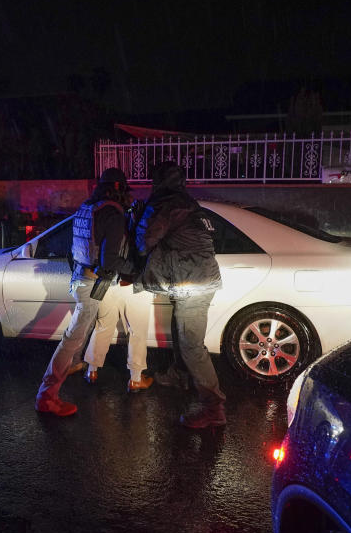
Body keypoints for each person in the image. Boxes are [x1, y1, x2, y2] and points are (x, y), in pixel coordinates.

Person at [34, 167, 138, 416]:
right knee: (72, 339)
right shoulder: (112, 213)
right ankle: (47, 395)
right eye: (123, 189)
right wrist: (134, 267)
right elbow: (109, 261)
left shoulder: (87, 208)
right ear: (117, 188)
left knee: (97, 322)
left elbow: (76, 249)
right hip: (92, 284)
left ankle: (77, 363)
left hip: (81, 278)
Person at [135, 161, 226, 428]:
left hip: (192, 284)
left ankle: (214, 406)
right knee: (180, 330)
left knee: (190, 344)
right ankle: (179, 374)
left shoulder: (166, 205)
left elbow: (145, 241)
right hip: (195, 279)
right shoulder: (190, 204)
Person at [79, 195, 154, 392]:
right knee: (137, 331)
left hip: (107, 282)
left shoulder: (107, 218)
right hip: (133, 283)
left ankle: (92, 371)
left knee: (103, 326)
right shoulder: (144, 224)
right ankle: (136, 379)